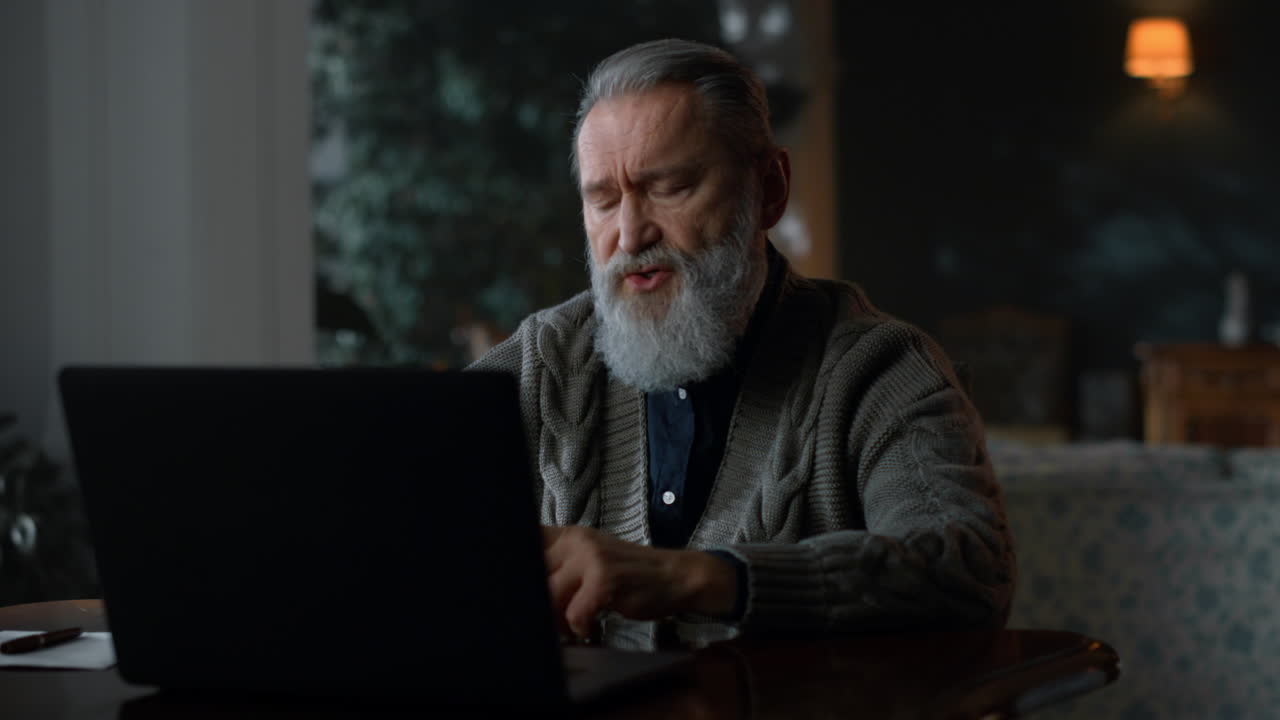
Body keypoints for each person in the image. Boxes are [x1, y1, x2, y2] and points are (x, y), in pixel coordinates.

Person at [470, 38, 1014, 638]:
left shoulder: (880, 369)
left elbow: (969, 574)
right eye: (603, 201)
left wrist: (699, 579)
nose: (628, 235)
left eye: (669, 187)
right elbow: (389, 499)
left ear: (770, 189)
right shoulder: (545, 358)